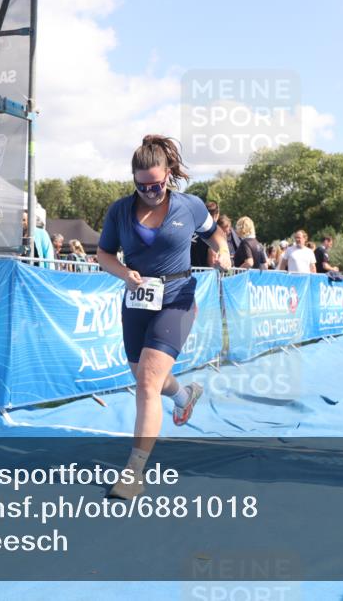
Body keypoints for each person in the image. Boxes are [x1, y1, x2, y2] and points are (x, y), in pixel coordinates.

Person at [95, 135, 231, 500]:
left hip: (178, 299)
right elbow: (104, 255)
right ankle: (184, 395)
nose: (150, 192)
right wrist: (123, 273)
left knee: (146, 384)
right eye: (142, 186)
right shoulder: (120, 211)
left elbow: (215, 236)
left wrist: (222, 253)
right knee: (145, 378)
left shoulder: (190, 206)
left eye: (156, 185)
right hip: (137, 301)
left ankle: (133, 473)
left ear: (168, 175)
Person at [190, 200, 219, 267]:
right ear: (217, 215)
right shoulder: (212, 232)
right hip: (204, 272)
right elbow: (212, 261)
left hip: (186, 270)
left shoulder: (192, 228)